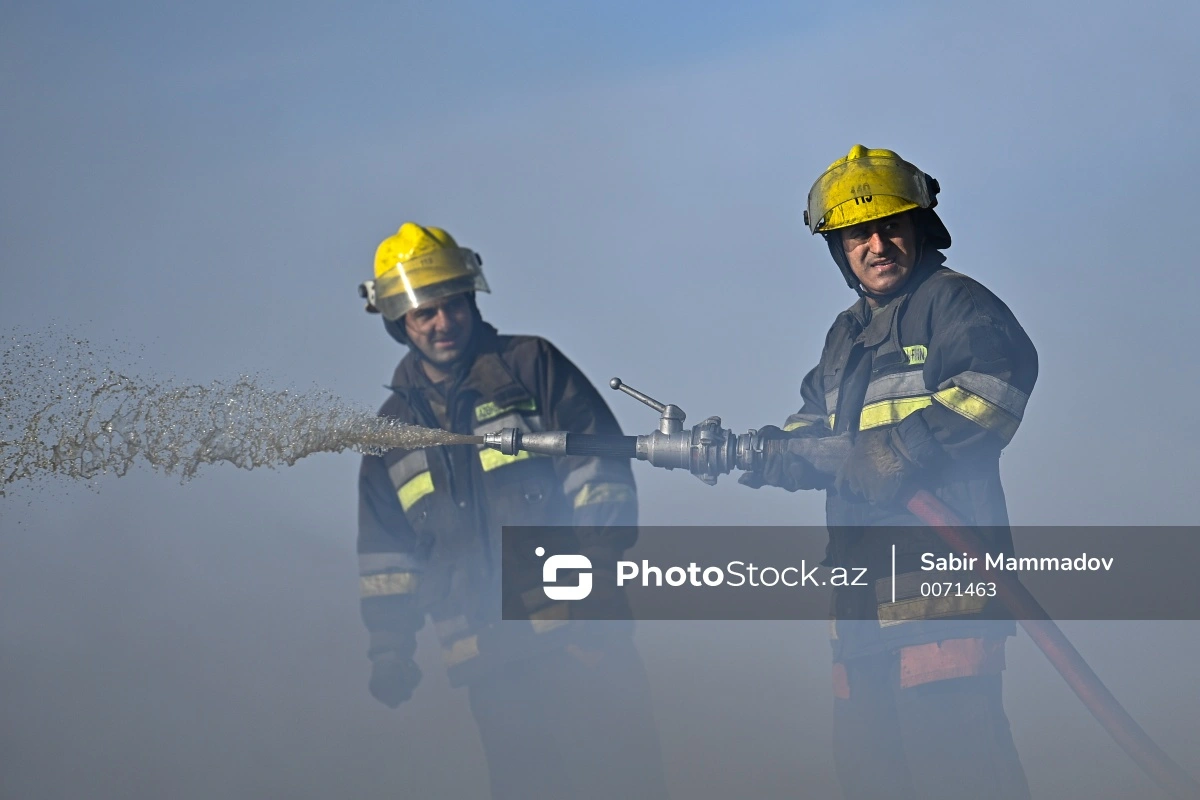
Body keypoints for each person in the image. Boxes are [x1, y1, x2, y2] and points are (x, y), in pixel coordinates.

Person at [740, 146, 1037, 799]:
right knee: (874, 778)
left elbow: (995, 388)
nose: (877, 245)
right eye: (857, 235)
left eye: (891, 227)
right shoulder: (845, 335)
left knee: (958, 773)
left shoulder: (955, 304)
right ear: (838, 249)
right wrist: (767, 452)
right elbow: (817, 430)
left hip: (943, 594)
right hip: (861, 605)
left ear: (919, 228)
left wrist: (900, 451)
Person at [354, 222, 667, 800]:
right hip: (488, 661)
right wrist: (389, 649)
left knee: (624, 783)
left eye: (452, 305)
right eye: (427, 313)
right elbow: (385, 557)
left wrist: (593, 588)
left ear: (471, 299)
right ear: (400, 322)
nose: (443, 322)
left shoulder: (531, 367)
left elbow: (600, 473)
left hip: (581, 639)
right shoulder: (390, 436)